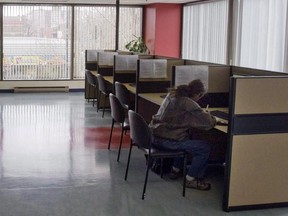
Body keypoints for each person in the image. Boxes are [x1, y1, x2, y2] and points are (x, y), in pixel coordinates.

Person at [149, 79, 218, 191]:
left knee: (185, 136)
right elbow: (208, 123)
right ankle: (191, 179)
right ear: (198, 94)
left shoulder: (172, 95)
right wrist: (212, 117)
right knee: (204, 147)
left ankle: (175, 170)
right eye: (201, 96)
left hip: (153, 137)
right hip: (167, 141)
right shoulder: (188, 103)